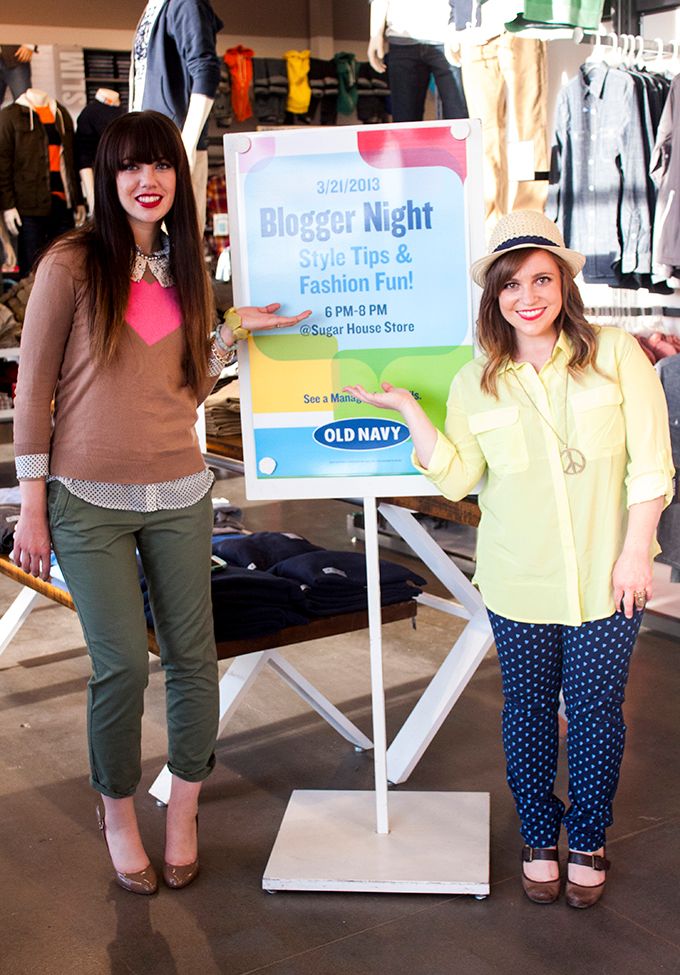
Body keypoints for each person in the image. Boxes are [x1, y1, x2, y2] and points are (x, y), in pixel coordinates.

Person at [11, 110, 310, 895]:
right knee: (119, 668)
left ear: (180, 175)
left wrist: (232, 330)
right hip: (86, 501)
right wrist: (32, 506)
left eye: (161, 165)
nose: (148, 181)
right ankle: (117, 813)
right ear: (106, 179)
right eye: (129, 167)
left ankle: (183, 807)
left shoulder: (186, 268)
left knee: (192, 660)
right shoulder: (72, 264)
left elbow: (188, 385)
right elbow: (33, 392)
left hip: (180, 493)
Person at [344, 210, 674, 909]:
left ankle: (588, 835)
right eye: (511, 284)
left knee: (597, 713)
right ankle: (538, 834)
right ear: (495, 296)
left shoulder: (616, 354)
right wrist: (411, 412)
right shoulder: (478, 382)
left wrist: (634, 553)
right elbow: (459, 477)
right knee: (526, 711)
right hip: (516, 579)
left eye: (542, 279)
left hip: (609, 578)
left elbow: (652, 465)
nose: (528, 296)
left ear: (564, 284)